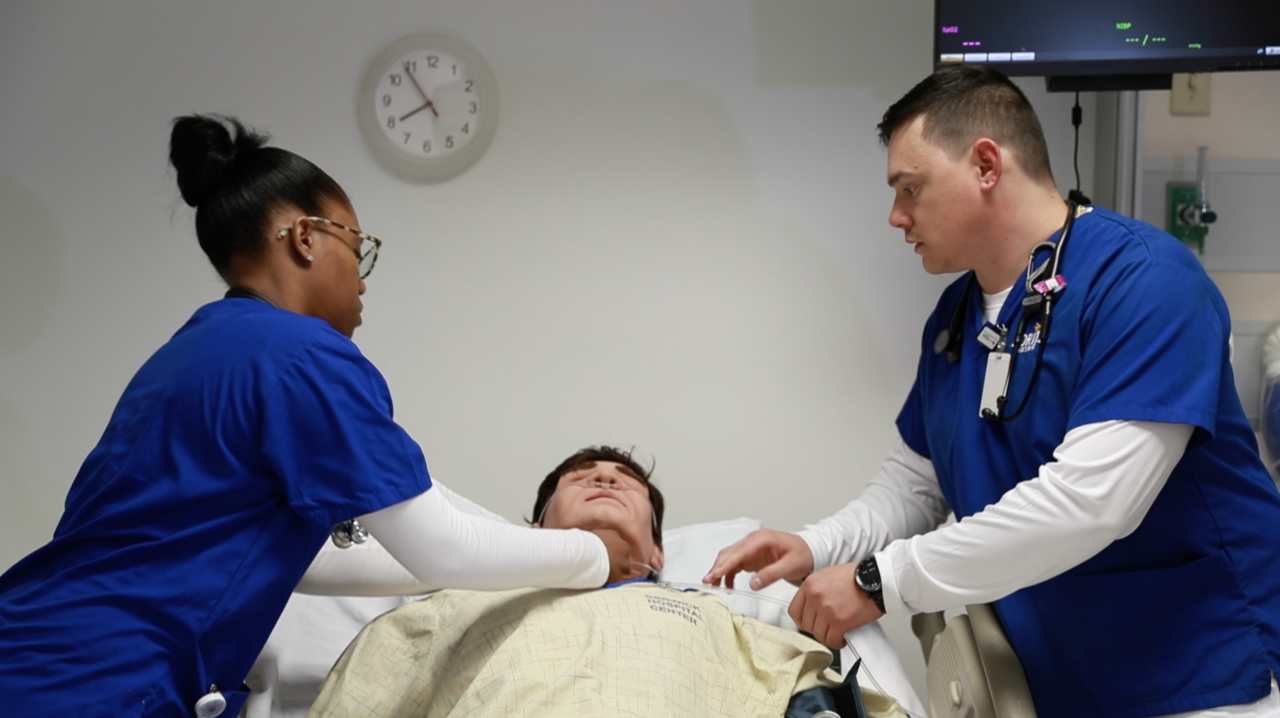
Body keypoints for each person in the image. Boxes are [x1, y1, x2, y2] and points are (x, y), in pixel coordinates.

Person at [0, 115, 636, 718]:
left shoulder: (188, 353)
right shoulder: (304, 354)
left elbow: (299, 559)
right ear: (306, 237)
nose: (362, 280)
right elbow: (440, 547)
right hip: (99, 680)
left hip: (33, 649)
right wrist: (593, 553)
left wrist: (526, 563)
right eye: (359, 248)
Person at [704, 65, 1280, 718]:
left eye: (910, 188)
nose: (895, 216)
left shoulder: (1145, 283)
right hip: (1063, 676)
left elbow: (1092, 502)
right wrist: (816, 546)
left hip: (1204, 675)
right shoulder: (956, 318)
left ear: (985, 165)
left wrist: (880, 581)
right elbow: (915, 484)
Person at [306, 446, 910, 718]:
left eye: (625, 481)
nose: (603, 479)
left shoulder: (727, 621)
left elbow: (815, 695)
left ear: (658, 551)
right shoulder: (456, 604)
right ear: (534, 530)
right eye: (581, 477)